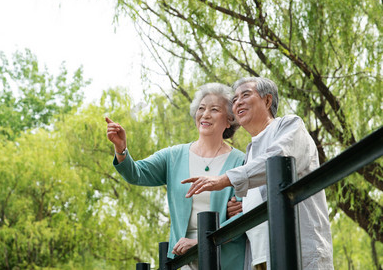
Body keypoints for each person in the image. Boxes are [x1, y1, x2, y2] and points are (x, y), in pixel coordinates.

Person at [183, 77, 334, 270]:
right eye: (235, 99)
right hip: (259, 259)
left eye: (245, 95)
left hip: (297, 253)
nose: (238, 102)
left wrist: (223, 180)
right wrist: (240, 208)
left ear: (267, 100)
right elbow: (258, 198)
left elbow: (275, 160)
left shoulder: (289, 126)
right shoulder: (249, 153)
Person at [106, 83, 246, 269]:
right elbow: (135, 174)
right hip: (183, 257)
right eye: (201, 109)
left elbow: (243, 217)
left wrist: (201, 243)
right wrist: (121, 148)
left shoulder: (241, 161)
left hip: (226, 257)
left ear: (229, 120)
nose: (205, 114)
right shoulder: (173, 156)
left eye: (214, 109)